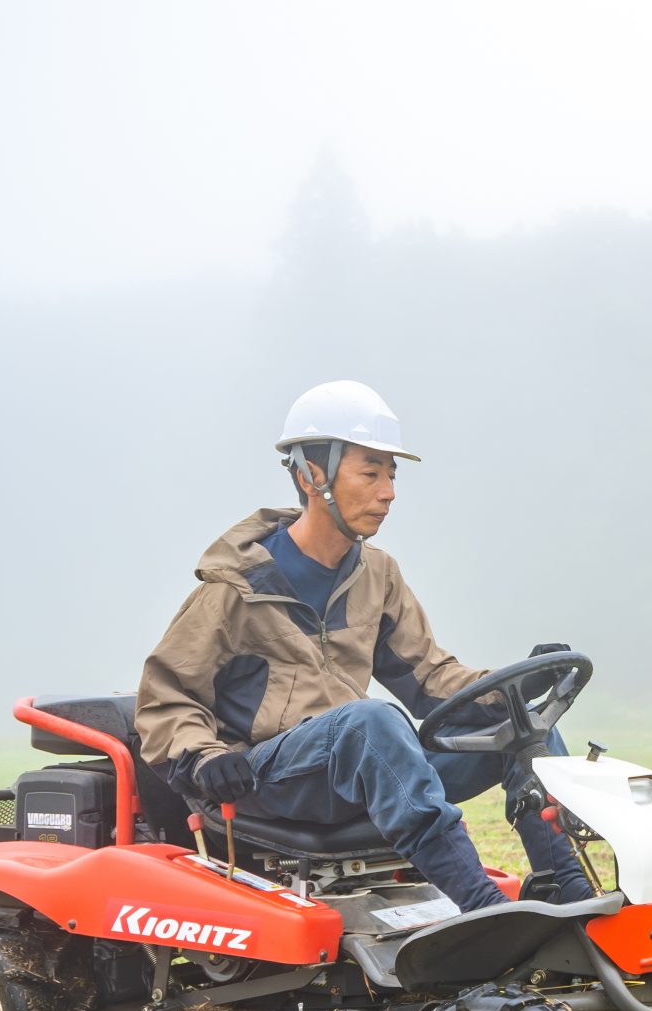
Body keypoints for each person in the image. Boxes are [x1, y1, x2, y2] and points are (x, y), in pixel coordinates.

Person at [134, 379, 593, 913]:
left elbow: (429, 677)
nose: (389, 491)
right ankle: (484, 911)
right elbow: (166, 697)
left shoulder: (378, 574)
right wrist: (205, 755)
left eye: (392, 474)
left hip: (361, 766)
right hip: (272, 778)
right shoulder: (234, 587)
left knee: (526, 724)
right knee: (374, 720)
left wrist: (515, 686)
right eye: (370, 472)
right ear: (311, 476)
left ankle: (572, 900)